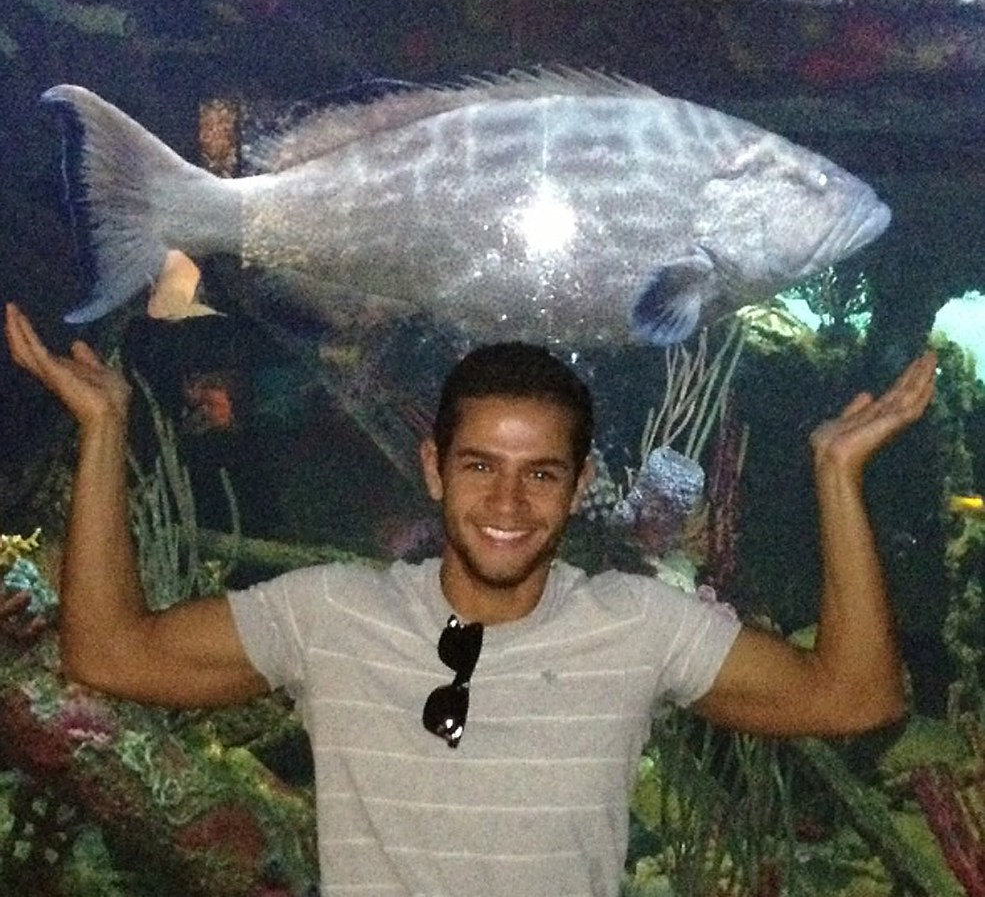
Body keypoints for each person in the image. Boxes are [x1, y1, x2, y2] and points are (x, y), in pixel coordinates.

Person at [3, 300, 936, 896]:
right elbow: (110, 654)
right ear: (433, 468)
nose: (507, 502)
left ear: (578, 486)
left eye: (541, 473)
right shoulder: (329, 613)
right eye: (481, 465)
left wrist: (836, 472)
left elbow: (854, 697)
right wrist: (103, 427)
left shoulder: (640, 624)